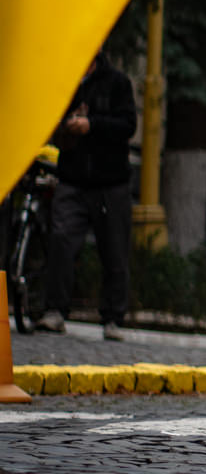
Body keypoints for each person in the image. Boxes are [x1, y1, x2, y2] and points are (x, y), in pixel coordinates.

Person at [38, 51, 137, 339]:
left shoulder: (117, 83)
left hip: (110, 181)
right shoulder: (66, 82)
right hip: (73, 178)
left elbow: (128, 125)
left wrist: (91, 125)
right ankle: (54, 311)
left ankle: (113, 318)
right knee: (61, 240)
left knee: (114, 249)